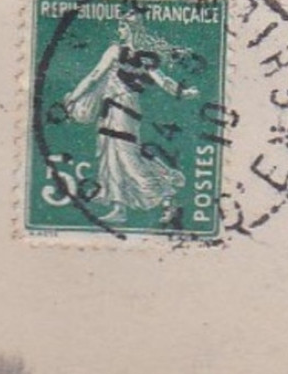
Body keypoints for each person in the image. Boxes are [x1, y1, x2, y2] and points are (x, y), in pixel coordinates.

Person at [60, 14, 199, 225]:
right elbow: (165, 82)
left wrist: (72, 99)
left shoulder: (117, 51)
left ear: (132, 29)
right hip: (122, 110)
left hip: (119, 110)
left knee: (125, 156)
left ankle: (164, 193)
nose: (120, 31)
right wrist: (183, 92)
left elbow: (94, 76)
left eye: (123, 27)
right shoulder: (144, 58)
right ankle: (116, 201)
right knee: (113, 153)